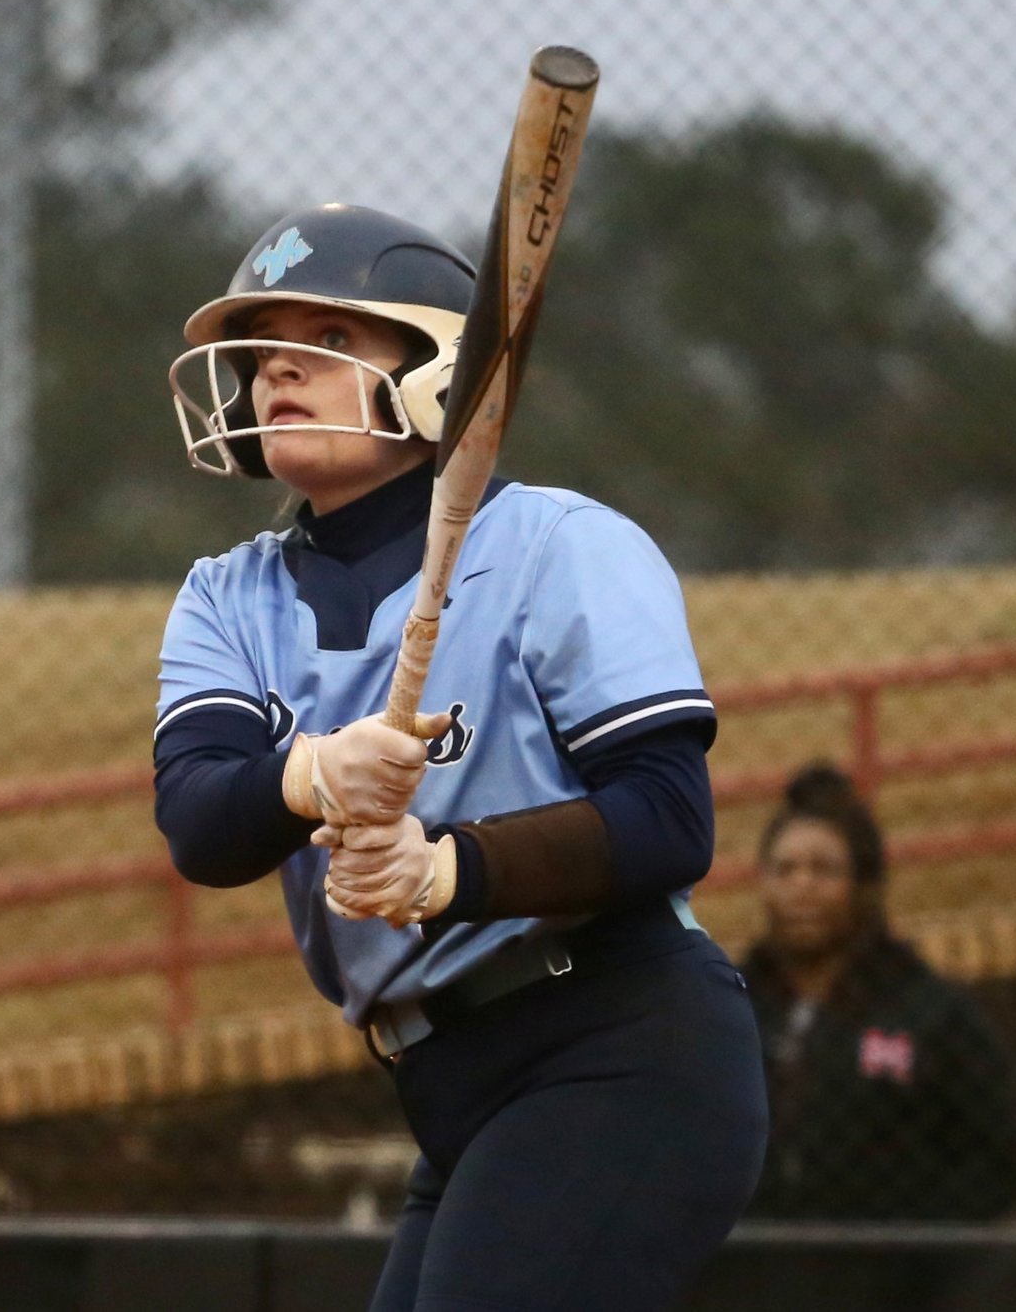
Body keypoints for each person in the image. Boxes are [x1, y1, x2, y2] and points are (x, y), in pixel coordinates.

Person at [154, 203, 767, 1311]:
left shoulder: (556, 545)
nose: (277, 370)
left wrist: (445, 869)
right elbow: (200, 822)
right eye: (262, 350)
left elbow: (671, 821)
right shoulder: (225, 595)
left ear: (438, 368)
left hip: (618, 1048)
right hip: (452, 1087)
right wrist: (313, 774)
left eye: (331, 342)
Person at [740, 761, 1016, 1222]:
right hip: (748, 1277)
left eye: (824, 870)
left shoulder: (930, 1015)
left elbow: (1001, 1161)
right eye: (784, 869)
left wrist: (914, 1247)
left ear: (863, 888)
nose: (802, 887)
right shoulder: (728, 1012)